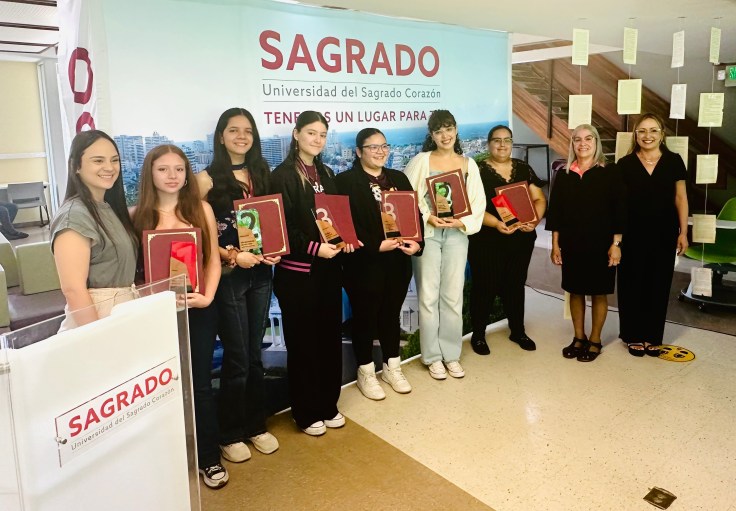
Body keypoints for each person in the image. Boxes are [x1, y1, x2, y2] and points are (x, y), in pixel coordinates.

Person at [132, 144, 226, 489]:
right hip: (156, 315)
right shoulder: (135, 216)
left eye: (179, 169)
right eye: (163, 169)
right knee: (162, 386)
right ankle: (167, 459)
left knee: (199, 384)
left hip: (198, 309)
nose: (172, 176)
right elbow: (135, 274)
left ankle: (208, 457)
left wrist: (208, 296)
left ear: (188, 174)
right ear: (150, 174)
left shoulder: (201, 209)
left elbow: (212, 259)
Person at [195, 108, 280, 462]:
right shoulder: (205, 179)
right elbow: (197, 235)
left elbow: (271, 222)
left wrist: (274, 248)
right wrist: (232, 255)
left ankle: (256, 425)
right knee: (238, 356)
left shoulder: (262, 173)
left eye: (247, 131)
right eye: (233, 130)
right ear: (221, 136)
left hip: (261, 273)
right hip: (230, 277)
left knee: (255, 354)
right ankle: (229, 433)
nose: (241, 136)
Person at [270, 111, 354, 435]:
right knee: (304, 343)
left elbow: (336, 218)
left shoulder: (327, 172)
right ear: (296, 134)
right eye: (311, 133)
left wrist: (346, 238)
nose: (317, 139)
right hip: (298, 273)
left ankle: (329, 404)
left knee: (329, 339)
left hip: (329, 270)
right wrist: (314, 248)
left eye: (322, 134)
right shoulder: (282, 176)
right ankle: (305, 412)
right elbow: (282, 226)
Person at [335, 128, 422, 400]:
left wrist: (417, 243)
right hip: (363, 264)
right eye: (372, 147)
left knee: (391, 314)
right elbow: (343, 225)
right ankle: (366, 372)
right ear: (358, 151)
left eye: (384, 146)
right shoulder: (344, 182)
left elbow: (414, 215)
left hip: (397, 261)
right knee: (364, 317)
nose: (380, 151)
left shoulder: (399, 178)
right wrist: (375, 245)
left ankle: (392, 367)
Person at [404, 110, 485, 380]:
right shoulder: (422, 161)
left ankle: (451, 354)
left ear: (456, 129)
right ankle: (432, 357)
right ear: (432, 135)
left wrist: (461, 222)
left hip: (457, 235)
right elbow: (408, 196)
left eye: (448, 129)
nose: (445, 135)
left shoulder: (468, 164)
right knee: (428, 296)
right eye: (438, 131)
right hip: (428, 234)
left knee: (452, 295)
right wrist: (428, 216)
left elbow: (478, 202)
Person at [546, 124, 626, 362]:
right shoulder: (563, 174)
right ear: (572, 143)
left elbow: (619, 211)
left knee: (599, 292)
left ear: (596, 142)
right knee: (575, 290)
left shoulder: (610, 172)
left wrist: (616, 245)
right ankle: (578, 337)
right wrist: (555, 244)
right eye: (577, 139)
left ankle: (595, 340)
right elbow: (556, 212)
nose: (583, 143)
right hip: (572, 243)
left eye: (588, 138)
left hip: (601, 243)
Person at [468, 125, 547, 355]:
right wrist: (496, 223)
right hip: (487, 240)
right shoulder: (477, 171)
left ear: (512, 143)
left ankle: (517, 331)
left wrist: (534, 220)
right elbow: (471, 208)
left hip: (521, 239)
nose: (502, 145)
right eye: (497, 140)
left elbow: (539, 199)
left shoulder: (523, 168)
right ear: (488, 144)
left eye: (507, 140)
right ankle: (478, 335)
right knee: (484, 286)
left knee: (515, 284)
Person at [616, 113, 688, 357]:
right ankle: (632, 334)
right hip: (632, 234)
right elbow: (619, 204)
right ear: (636, 135)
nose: (648, 136)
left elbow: (681, 198)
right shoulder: (625, 164)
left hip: (664, 232)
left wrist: (683, 232)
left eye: (653, 130)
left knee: (658, 284)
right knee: (631, 283)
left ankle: (652, 335)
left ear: (662, 134)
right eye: (642, 131)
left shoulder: (674, 161)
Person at [51, 130, 137, 331]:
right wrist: (97, 336)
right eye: (98, 161)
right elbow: (73, 289)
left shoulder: (107, 208)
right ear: (76, 166)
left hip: (121, 313)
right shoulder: (74, 215)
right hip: (97, 318)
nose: (109, 167)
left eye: (114, 160)